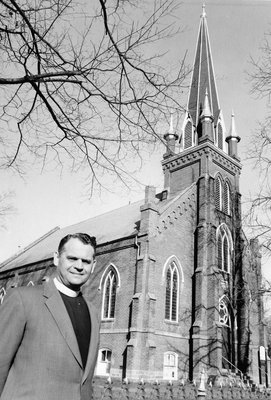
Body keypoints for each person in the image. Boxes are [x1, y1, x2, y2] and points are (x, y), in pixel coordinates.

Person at [0, 232, 100, 400]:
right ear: (56, 258)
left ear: (94, 265)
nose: (79, 266)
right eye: (72, 258)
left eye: (86, 261)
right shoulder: (22, 299)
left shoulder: (93, 312)